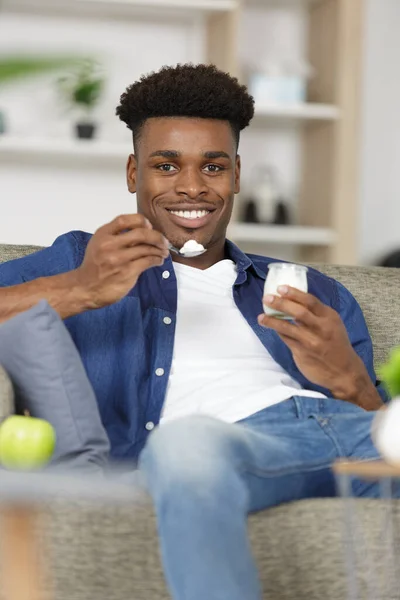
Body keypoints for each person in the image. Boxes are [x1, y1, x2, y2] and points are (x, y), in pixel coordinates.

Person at [0, 64, 388, 600]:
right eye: (166, 165)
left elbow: (378, 440)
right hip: (213, 449)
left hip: (338, 437)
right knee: (188, 445)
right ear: (134, 173)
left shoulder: (313, 288)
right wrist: (81, 289)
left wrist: (351, 383)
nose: (191, 187)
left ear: (236, 175)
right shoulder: (79, 259)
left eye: (213, 167)